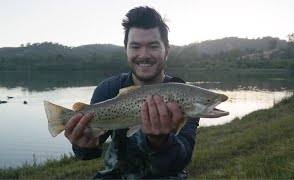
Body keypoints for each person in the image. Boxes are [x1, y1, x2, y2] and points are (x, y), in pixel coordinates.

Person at [64, 6, 199, 179]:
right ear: (126, 50)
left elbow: (182, 158)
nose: (144, 55)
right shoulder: (109, 89)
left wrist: (161, 143)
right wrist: (83, 145)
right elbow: (88, 153)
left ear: (167, 50)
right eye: (135, 46)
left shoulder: (185, 94)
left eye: (153, 46)